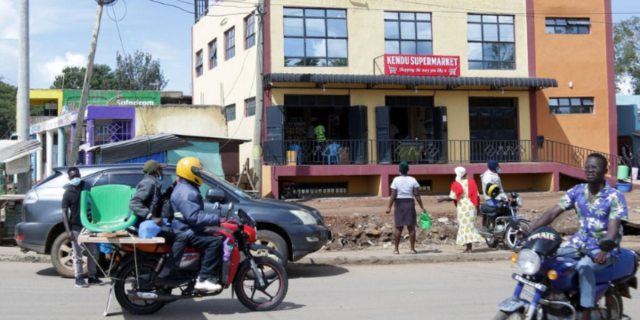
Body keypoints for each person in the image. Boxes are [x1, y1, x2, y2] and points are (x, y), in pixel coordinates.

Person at [520, 153, 628, 320]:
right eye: (587, 167)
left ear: (605, 170)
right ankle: (553, 300)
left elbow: (613, 229)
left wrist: (604, 250)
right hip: (578, 243)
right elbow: (552, 214)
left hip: (603, 248)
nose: (590, 170)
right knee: (550, 261)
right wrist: (528, 231)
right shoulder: (577, 191)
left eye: (595, 167)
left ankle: (586, 308)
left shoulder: (615, 197)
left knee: (585, 266)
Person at [128, 160, 187, 286]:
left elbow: (161, 200)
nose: (163, 172)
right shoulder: (148, 183)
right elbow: (134, 202)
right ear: (156, 171)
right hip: (146, 227)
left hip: (151, 224)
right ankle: (168, 271)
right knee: (181, 236)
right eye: (161, 169)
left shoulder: (154, 183)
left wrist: (173, 185)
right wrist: (151, 217)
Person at [171, 157, 224, 292]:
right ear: (189, 172)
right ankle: (205, 278)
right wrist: (218, 220)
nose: (200, 174)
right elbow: (194, 217)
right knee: (215, 242)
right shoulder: (187, 191)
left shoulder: (184, 187)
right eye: (197, 171)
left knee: (216, 236)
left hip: (184, 227)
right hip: (186, 230)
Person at [61, 167, 104, 288]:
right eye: (72, 177)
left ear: (80, 175)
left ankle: (92, 277)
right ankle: (78, 278)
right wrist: (68, 231)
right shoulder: (68, 193)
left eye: (77, 176)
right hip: (75, 226)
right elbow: (64, 213)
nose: (75, 178)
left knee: (92, 252)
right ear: (69, 178)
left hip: (89, 225)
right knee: (77, 254)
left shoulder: (87, 187)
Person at [437, 166, 484, 253]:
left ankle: (468, 248)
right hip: (472, 207)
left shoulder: (456, 184)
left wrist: (443, 198)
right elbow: (477, 196)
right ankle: (469, 247)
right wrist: (478, 208)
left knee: (464, 227)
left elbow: (452, 197)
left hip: (462, 208)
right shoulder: (472, 182)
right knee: (470, 227)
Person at [385, 162, 425, 255]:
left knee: (398, 228)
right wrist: (422, 207)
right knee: (411, 228)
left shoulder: (396, 180)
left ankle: (396, 250)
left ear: (399, 170)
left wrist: (389, 207)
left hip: (399, 204)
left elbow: (393, 194)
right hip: (410, 204)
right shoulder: (413, 180)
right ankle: (412, 249)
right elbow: (417, 194)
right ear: (408, 169)